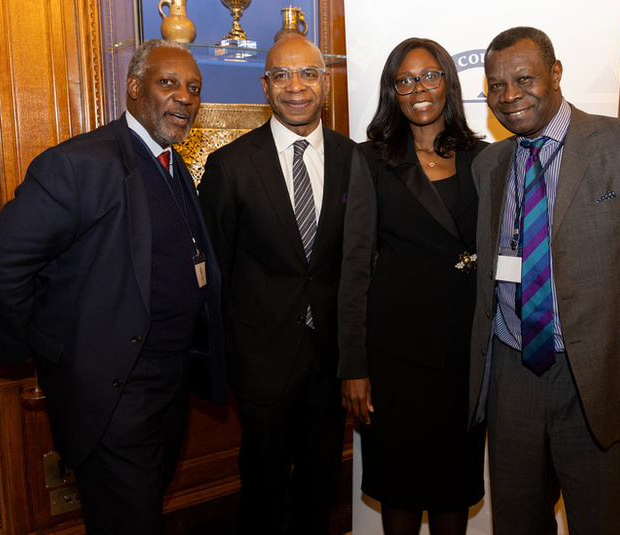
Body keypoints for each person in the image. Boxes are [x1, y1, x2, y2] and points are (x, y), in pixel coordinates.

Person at [0, 39, 226, 534]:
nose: (185, 98)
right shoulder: (79, 163)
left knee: (145, 506)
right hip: (114, 388)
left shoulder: (172, 167)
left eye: (193, 88)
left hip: (171, 383)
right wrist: (27, 349)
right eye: (168, 83)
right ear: (133, 88)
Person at [467, 26, 620, 534]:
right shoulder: (490, 165)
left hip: (602, 374)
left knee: (600, 522)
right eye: (496, 86)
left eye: (523, 78)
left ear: (556, 74)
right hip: (512, 373)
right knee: (517, 523)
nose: (509, 95)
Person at [199, 34, 367, 534]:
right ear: (265, 85)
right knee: (263, 489)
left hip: (330, 361)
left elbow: (360, 262)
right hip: (260, 360)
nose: (296, 87)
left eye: (309, 74)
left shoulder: (354, 159)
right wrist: (227, 359)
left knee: (320, 488)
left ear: (325, 82)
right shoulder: (229, 166)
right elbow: (215, 272)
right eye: (282, 75)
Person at [339, 38, 488, 534]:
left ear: (448, 81)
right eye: (404, 80)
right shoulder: (372, 160)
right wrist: (354, 367)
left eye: (429, 76)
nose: (418, 89)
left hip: (464, 356)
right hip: (395, 359)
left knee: (453, 492)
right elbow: (355, 268)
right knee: (399, 493)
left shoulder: (484, 160)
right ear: (393, 93)